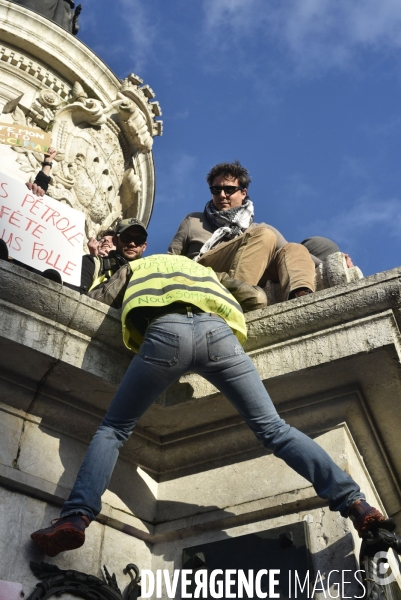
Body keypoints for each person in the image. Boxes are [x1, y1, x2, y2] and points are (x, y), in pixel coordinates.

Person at [30, 252, 394, 557]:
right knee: (274, 429)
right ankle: (356, 504)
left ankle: (75, 516)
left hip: (165, 332)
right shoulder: (205, 270)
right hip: (217, 335)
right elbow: (255, 298)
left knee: (114, 429)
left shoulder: (140, 265)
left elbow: (100, 300)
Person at [168, 161, 353, 308]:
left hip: (249, 270)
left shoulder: (255, 228)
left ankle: (301, 298)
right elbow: (170, 259)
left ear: (243, 192)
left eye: (229, 189)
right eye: (216, 190)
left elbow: (291, 254)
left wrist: (334, 260)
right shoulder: (194, 220)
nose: (222, 194)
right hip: (204, 271)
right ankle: (230, 302)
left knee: (294, 247)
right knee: (264, 235)